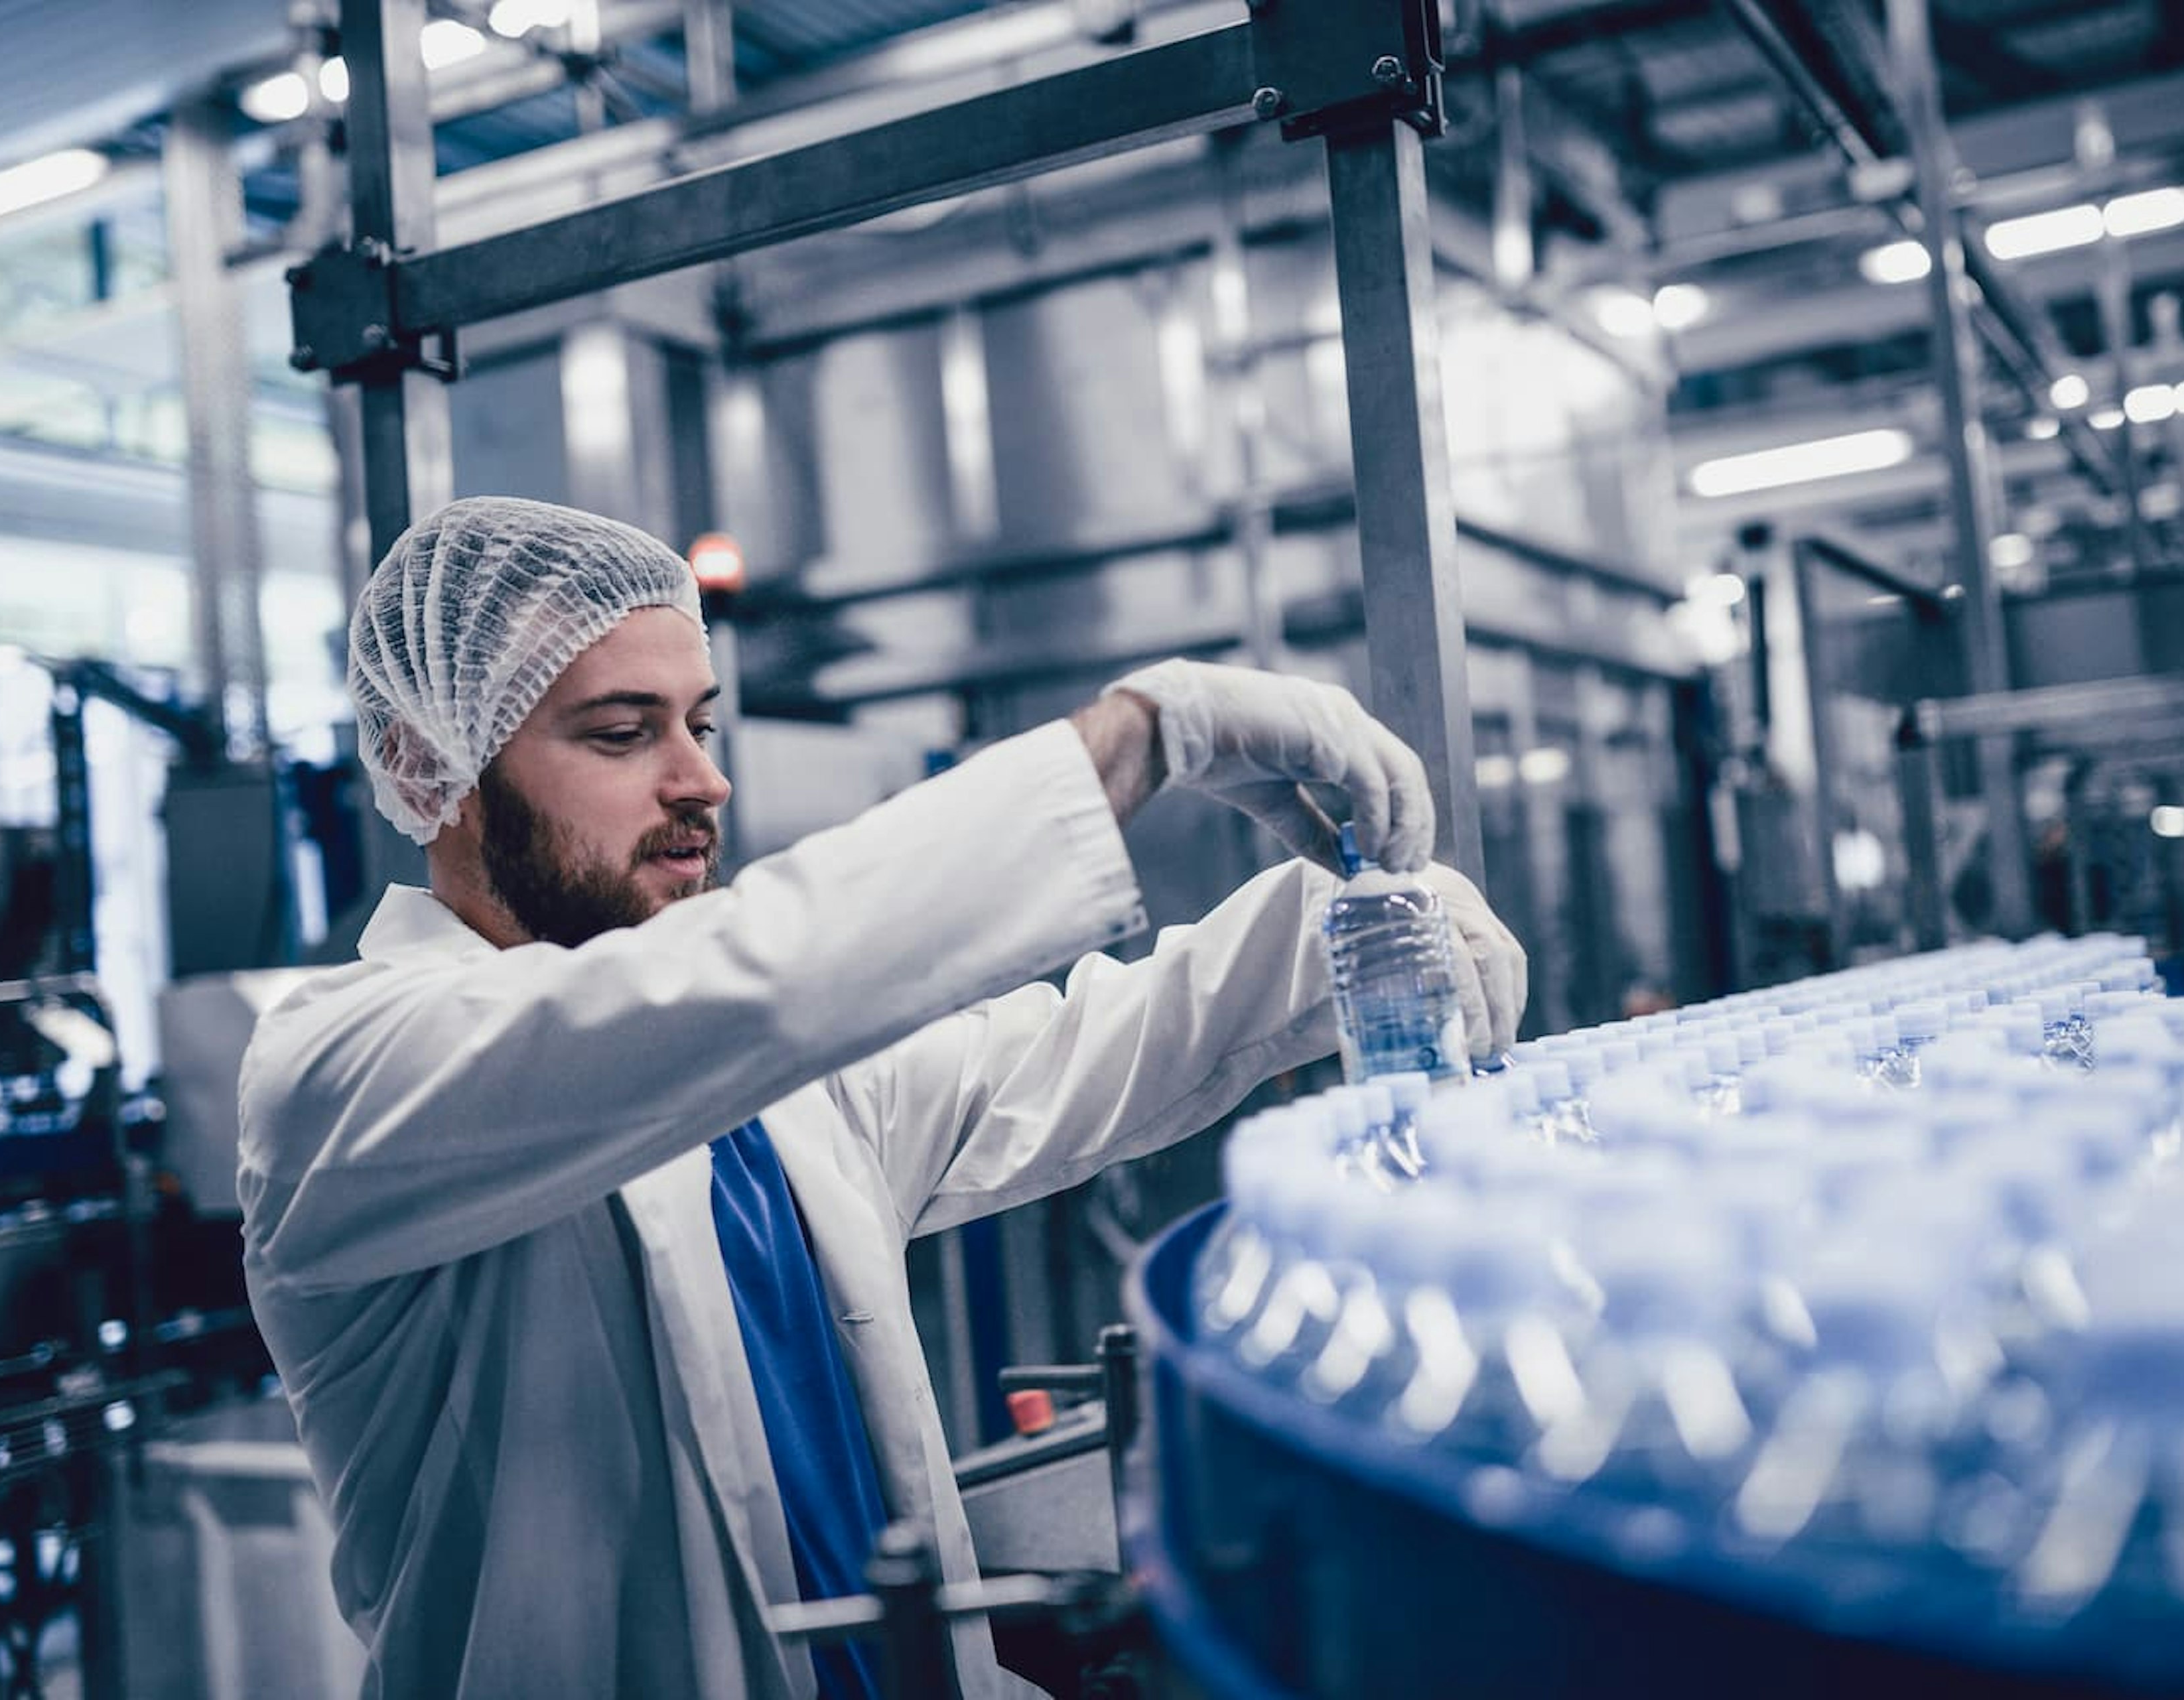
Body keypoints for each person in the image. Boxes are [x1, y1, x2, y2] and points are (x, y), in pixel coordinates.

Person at [238, 496, 1525, 1699]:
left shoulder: (771, 1087)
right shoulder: (348, 1085)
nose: (700, 781)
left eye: (702, 721)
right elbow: (749, 988)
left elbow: (1073, 1052)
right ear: (426, 762)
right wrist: (1144, 736)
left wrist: (1339, 927)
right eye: (625, 733)